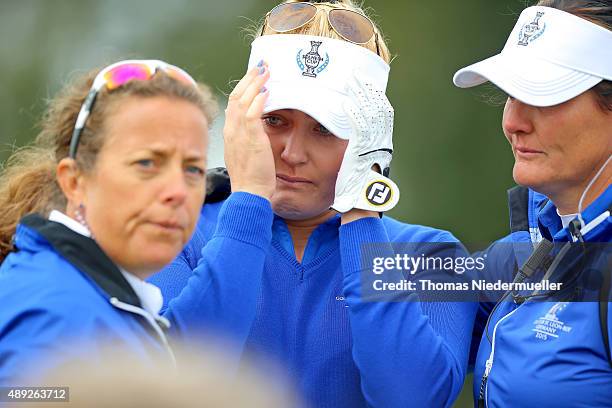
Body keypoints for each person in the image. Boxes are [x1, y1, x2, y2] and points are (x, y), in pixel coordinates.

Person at [151, 1, 477, 407]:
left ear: (367, 135)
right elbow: (171, 378)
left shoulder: (429, 254)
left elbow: (412, 398)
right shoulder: (172, 226)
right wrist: (249, 201)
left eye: (324, 129)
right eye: (275, 121)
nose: (292, 152)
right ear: (242, 118)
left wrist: (361, 211)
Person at [0, 59, 278, 385]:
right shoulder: (53, 318)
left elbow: (190, 357)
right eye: (147, 163)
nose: (177, 191)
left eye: (192, 169)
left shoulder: (90, 295)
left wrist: (252, 196)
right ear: (75, 181)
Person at [453, 0, 612, 406]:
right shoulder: (538, 244)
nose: (513, 122)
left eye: (544, 95)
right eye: (510, 94)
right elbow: (392, 287)